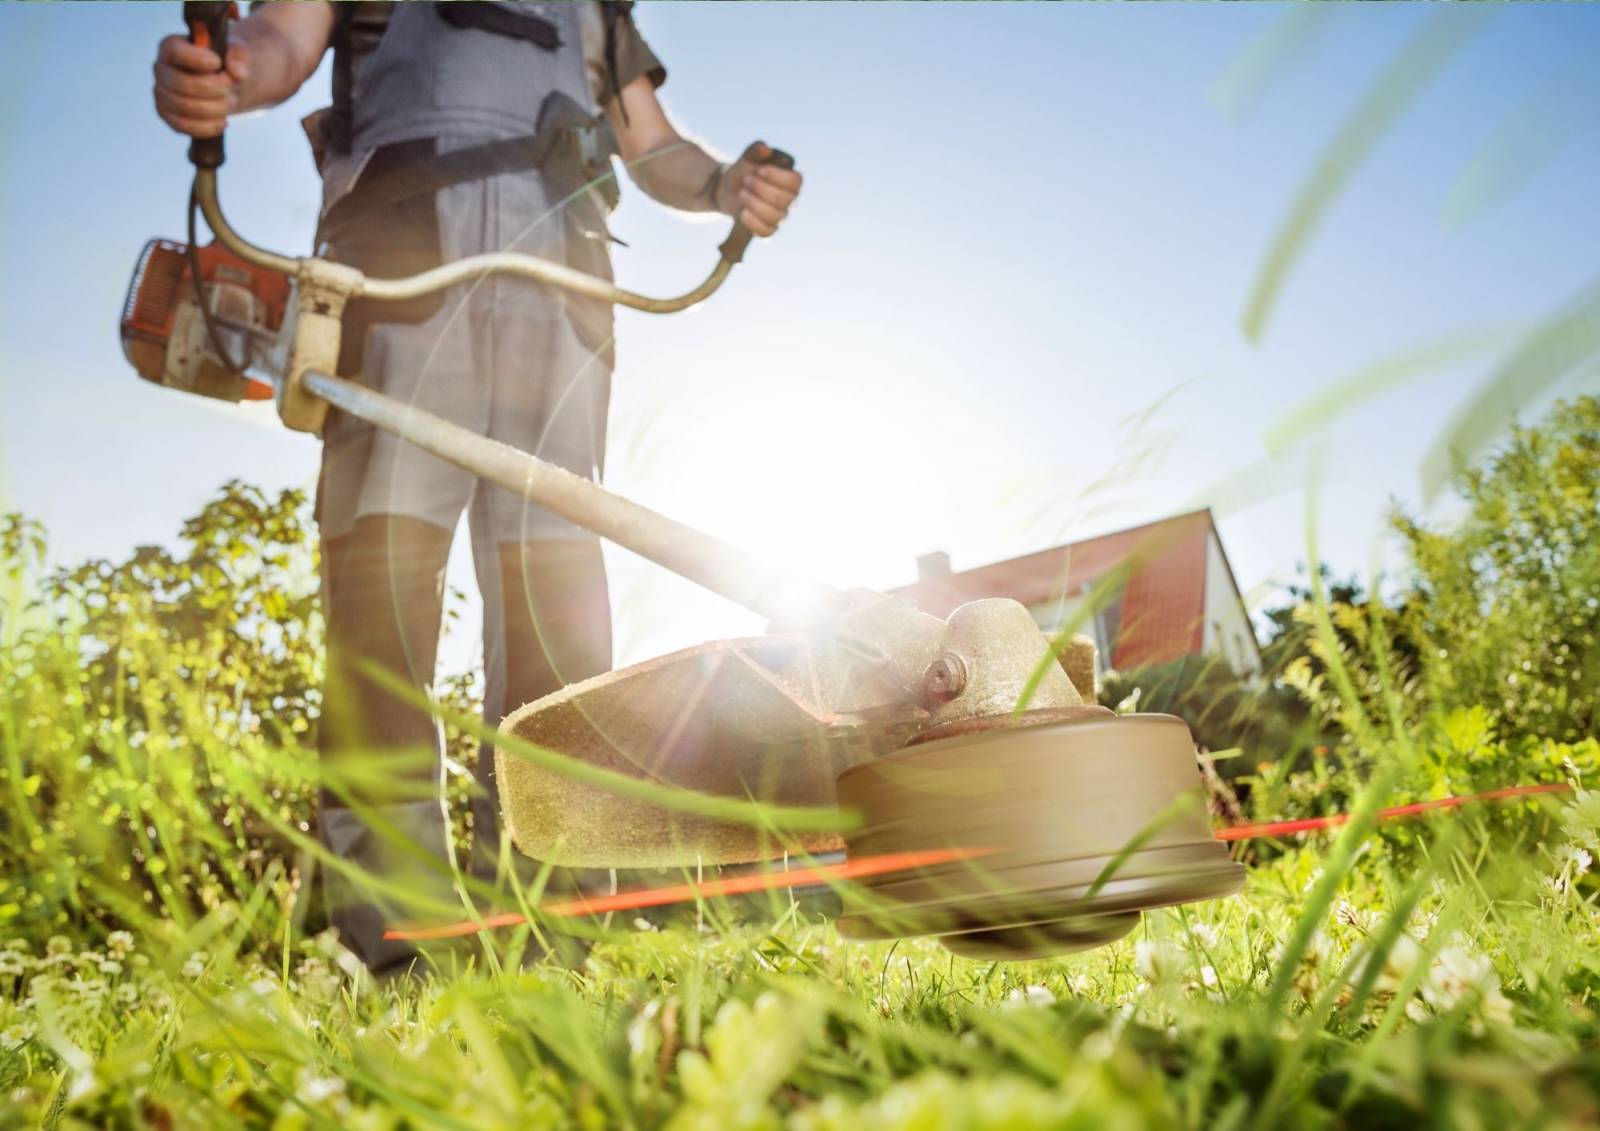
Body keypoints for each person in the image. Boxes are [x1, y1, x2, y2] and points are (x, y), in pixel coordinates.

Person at [152, 1, 802, 973]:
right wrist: (228, 73)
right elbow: (277, 42)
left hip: (563, 283)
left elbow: (652, 145)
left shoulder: (595, 9)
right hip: (398, 268)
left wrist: (721, 183)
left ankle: (556, 949)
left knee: (560, 629)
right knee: (381, 613)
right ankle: (398, 959)